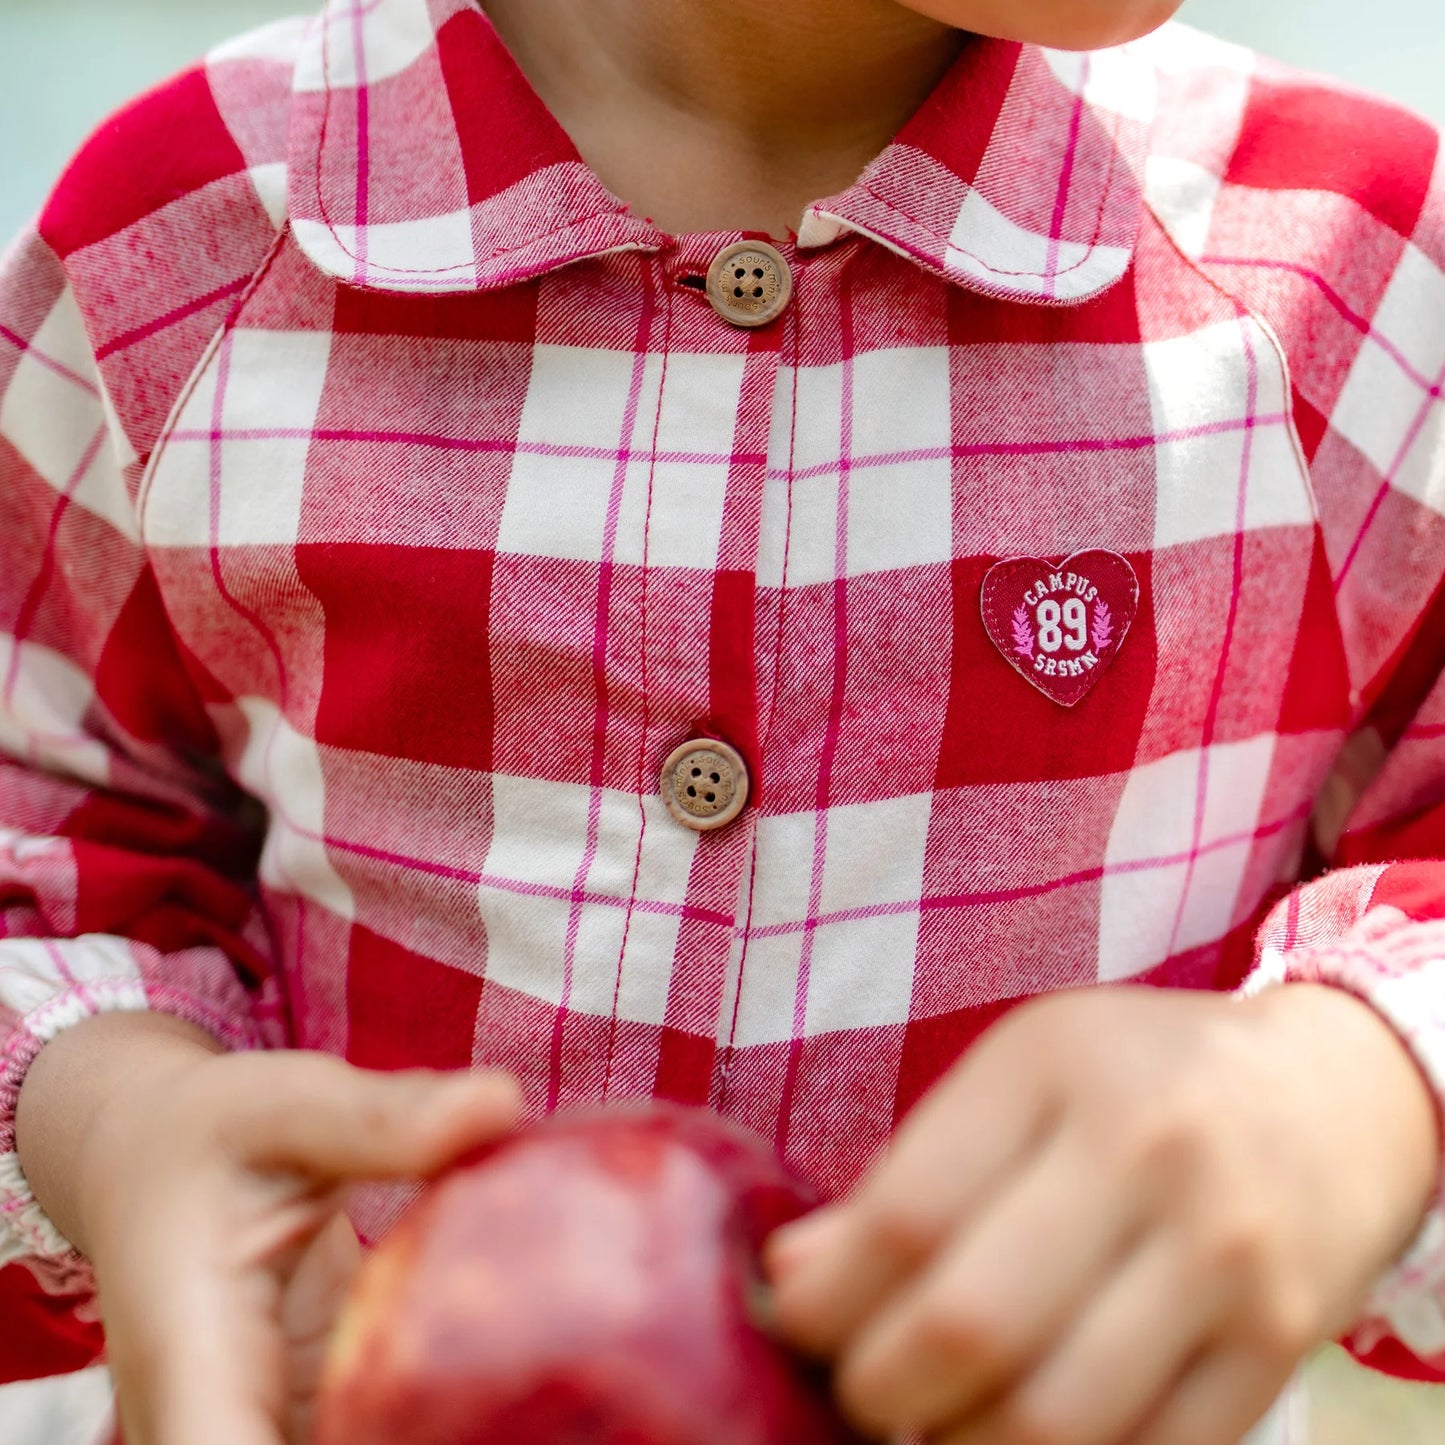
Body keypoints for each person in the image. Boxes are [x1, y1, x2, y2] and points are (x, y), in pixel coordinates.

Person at [2, 0, 1443, 1441]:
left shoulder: (1353, 275)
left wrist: (1347, 1091)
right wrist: (118, 1127)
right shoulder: (181, 249)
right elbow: (47, 850)